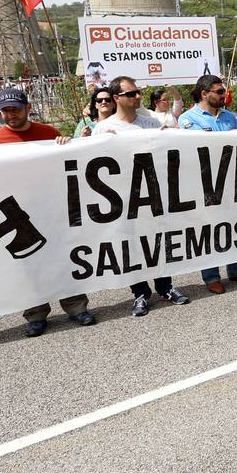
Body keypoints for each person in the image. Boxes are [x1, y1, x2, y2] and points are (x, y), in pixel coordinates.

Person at [0, 88, 99, 335]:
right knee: (28, 263)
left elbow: (67, 163)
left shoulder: (48, 133)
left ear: (28, 108)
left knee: (63, 258)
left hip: (50, 206)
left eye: (15, 109)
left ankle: (76, 307)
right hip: (15, 212)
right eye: (6, 110)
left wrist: (65, 145)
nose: (11, 115)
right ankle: (35, 314)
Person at [96, 76, 193, 315]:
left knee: (158, 242)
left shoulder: (149, 122)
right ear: (117, 98)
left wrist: (170, 135)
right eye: (131, 94)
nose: (137, 97)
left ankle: (165, 287)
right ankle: (140, 292)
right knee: (131, 246)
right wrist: (100, 142)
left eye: (138, 92)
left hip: (153, 195)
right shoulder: (104, 128)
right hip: (122, 198)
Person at [174, 74, 237, 292]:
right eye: (220, 92)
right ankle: (211, 276)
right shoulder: (187, 119)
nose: (225, 95)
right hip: (205, 183)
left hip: (232, 180)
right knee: (210, 229)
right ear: (205, 93)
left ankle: (236, 268)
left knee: (234, 225)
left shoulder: (231, 117)